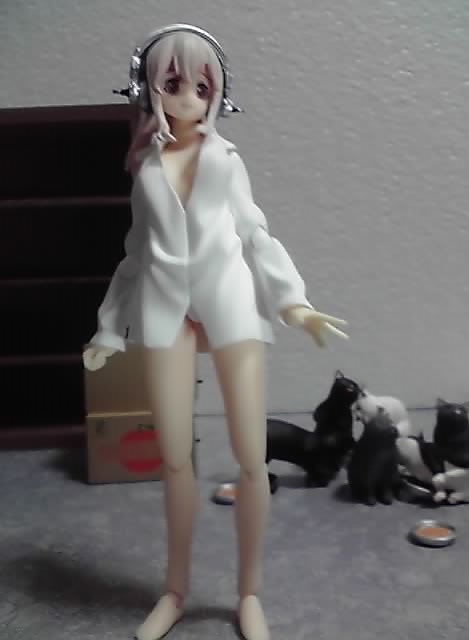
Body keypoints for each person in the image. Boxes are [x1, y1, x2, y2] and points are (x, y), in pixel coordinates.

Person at [83, 23, 348, 640]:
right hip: (165, 307)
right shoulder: (145, 166)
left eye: (201, 87)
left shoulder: (227, 160)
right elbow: (135, 252)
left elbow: (254, 232)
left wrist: (294, 302)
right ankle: (174, 590)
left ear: (217, 94)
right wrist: (107, 329)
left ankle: (248, 592)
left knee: (251, 456)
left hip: (228, 300)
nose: (187, 97)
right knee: (175, 458)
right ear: (148, 89)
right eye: (172, 83)